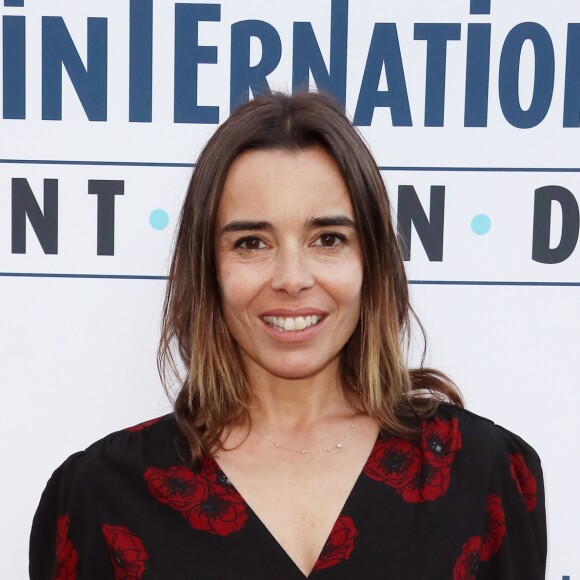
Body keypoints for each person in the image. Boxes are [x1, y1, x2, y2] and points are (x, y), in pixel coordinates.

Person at [30, 92, 546, 579]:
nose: (292, 277)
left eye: (328, 239)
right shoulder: (99, 495)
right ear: (208, 267)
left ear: (373, 262)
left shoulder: (485, 475)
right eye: (252, 242)